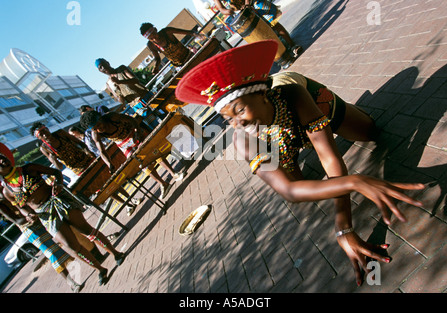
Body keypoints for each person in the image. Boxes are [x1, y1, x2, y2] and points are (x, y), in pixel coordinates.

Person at [175, 40, 425, 286]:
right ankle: (293, 151)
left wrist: (344, 223)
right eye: (227, 119)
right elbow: (291, 192)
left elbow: (329, 157)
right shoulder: (244, 141)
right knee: (299, 184)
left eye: (239, 110)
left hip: (311, 103)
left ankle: (342, 113)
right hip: (280, 144)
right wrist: (351, 197)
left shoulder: (292, 94)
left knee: (371, 132)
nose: (237, 122)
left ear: (262, 94)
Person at [0, 143, 125, 286]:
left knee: (85, 229)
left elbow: (56, 173)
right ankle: (100, 269)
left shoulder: (29, 168)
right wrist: (28, 214)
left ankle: (116, 253)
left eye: (2, 157)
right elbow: (21, 206)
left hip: (58, 202)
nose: (2, 160)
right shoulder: (7, 191)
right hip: (45, 215)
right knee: (71, 246)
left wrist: (58, 184)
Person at [31, 122, 141, 216]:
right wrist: (53, 159)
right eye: (42, 134)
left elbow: (80, 143)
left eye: (45, 130)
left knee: (109, 179)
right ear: (39, 138)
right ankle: (126, 204)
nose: (45, 134)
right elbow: (59, 167)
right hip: (78, 169)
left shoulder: (60, 133)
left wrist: (88, 151)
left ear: (47, 129)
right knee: (100, 187)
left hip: (86, 160)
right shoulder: (44, 148)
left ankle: (131, 198)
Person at [80, 110, 184, 199]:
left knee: (152, 152)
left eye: (98, 125)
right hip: (124, 145)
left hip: (134, 133)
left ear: (101, 119)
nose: (98, 129)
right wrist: (109, 164)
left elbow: (132, 120)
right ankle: (163, 184)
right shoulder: (95, 134)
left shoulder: (112, 117)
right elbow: (102, 151)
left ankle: (173, 173)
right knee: (141, 164)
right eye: (95, 129)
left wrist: (137, 132)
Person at [0, 198, 83, 292]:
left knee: (65, 235)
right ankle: (71, 282)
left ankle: (91, 257)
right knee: (51, 252)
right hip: (30, 229)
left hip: (39, 218)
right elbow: (16, 220)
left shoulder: (12, 191)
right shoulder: (2, 205)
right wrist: (29, 217)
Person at [213, 0, 302, 59]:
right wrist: (229, 11)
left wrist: (247, 4)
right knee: (263, 32)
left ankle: (293, 45)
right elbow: (221, 9)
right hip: (244, 11)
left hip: (254, 3)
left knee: (273, 24)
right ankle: (283, 52)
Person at [139, 22, 206, 75]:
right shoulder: (151, 45)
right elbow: (157, 58)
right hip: (180, 67)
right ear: (148, 39)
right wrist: (156, 67)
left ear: (156, 30)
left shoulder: (167, 31)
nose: (155, 38)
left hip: (189, 56)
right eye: (151, 38)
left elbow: (189, 32)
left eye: (154, 34)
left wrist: (198, 35)